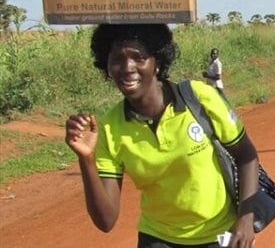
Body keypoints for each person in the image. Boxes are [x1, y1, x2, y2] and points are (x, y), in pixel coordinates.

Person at [65, 24, 259, 248]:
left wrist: (246, 218)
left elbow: (247, 156)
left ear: (157, 63)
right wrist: (86, 159)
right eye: (116, 59)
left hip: (217, 235)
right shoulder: (109, 129)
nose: (127, 67)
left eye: (138, 57)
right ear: (107, 67)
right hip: (158, 238)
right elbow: (106, 221)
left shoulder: (199, 98)